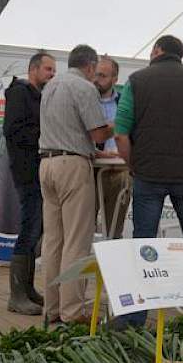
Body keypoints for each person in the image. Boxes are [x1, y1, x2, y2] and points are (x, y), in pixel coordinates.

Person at [113, 34, 183, 327]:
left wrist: (134, 164)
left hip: (148, 176)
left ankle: (135, 316)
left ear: (157, 50)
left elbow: (120, 133)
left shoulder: (137, 80)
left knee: (143, 243)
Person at [39, 44, 113, 324]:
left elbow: (67, 130)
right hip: (72, 167)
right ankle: (73, 312)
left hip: (46, 163)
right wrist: (118, 125)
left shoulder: (50, 85)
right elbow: (97, 133)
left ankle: (53, 309)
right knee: (76, 241)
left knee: (53, 241)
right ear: (91, 66)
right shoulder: (84, 88)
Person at [3, 51, 56, 315]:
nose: (52, 74)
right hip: (27, 171)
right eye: (48, 69)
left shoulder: (38, 96)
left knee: (36, 229)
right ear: (33, 69)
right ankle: (17, 295)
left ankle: (28, 288)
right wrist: (46, 136)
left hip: (39, 171)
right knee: (30, 227)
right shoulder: (19, 93)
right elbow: (13, 130)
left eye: (53, 70)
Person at [94, 56, 131, 238]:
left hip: (119, 169)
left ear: (115, 79)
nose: (97, 80)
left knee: (114, 228)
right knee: (84, 226)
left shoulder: (124, 103)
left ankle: (112, 257)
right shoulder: (87, 100)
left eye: (103, 76)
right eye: (95, 74)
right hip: (91, 169)